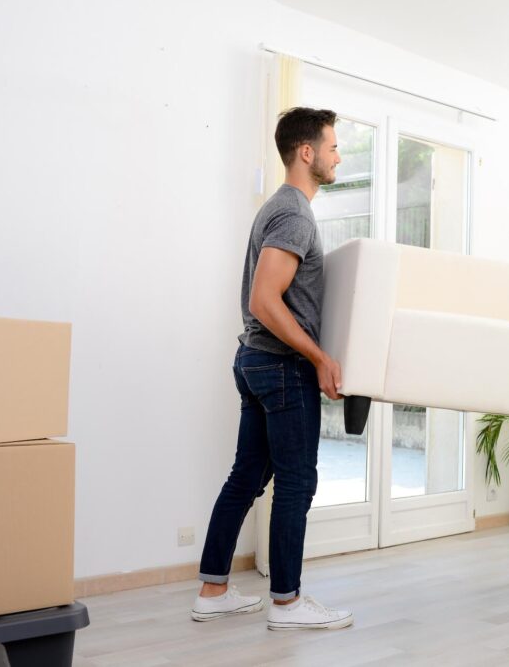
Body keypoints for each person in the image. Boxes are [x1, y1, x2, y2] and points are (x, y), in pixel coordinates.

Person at [191, 107, 353, 630]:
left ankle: (213, 590)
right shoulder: (293, 214)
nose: (337, 155)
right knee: (296, 481)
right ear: (306, 153)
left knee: (247, 476)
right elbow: (265, 300)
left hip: (257, 362)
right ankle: (287, 602)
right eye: (331, 146)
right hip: (280, 366)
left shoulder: (280, 209)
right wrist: (320, 356)